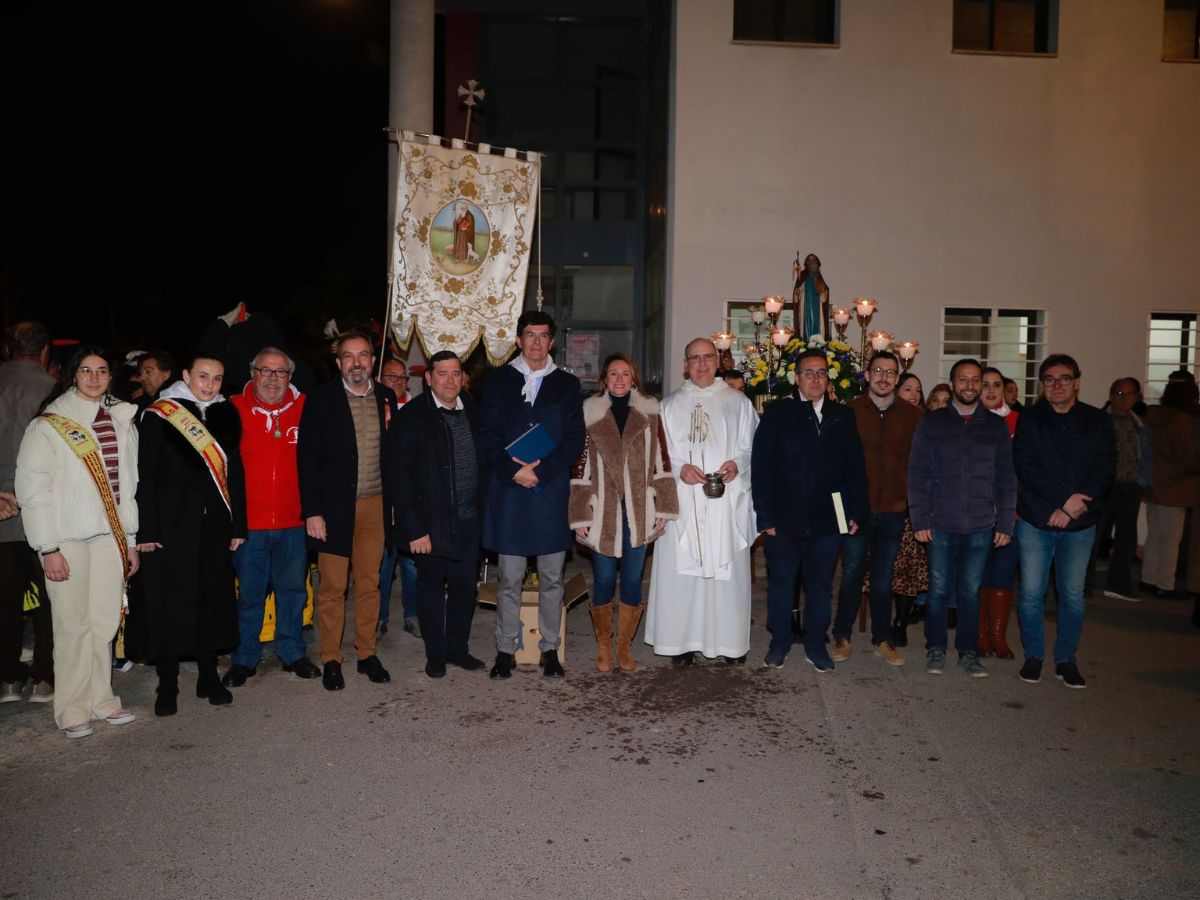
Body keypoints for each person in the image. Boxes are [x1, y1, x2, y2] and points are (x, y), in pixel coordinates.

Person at [15, 347, 140, 738]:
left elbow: (128, 487)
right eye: (85, 369)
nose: (94, 376)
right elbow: (34, 492)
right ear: (72, 374)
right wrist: (47, 548)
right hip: (67, 539)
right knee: (71, 625)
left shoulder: (121, 419)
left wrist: (130, 539)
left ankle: (103, 700)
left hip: (110, 538)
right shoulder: (49, 425)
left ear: (111, 375)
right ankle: (71, 708)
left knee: (104, 622)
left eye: (102, 370)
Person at [126, 355, 247, 716]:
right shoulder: (159, 414)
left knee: (211, 600)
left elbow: (235, 472)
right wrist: (146, 529)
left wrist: (238, 524)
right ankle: (168, 683)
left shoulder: (226, 413)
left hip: (214, 527)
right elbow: (144, 475)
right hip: (170, 526)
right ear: (185, 376)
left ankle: (208, 676)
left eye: (217, 378)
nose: (209, 384)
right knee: (170, 603)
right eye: (203, 376)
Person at [481, 310, 584, 679]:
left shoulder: (567, 384)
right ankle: (506, 649)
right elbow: (488, 434)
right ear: (518, 340)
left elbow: (574, 438)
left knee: (552, 577)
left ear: (552, 341)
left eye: (543, 336)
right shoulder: (498, 380)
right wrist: (513, 470)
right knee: (509, 578)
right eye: (530, 335)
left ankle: (550, 649)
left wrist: (540, 470)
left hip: (549, 491)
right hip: (510, 491)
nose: (536, 342)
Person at [753, 347, 867, 672]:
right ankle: (780, 642)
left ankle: (817, 644)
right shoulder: (777, 414)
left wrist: (854, 511)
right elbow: (762, 468)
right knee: (781, 584)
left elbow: (855, 468)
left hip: (828, 517)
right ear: (796, 378)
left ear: (828, 377)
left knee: (820, 586)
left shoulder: (842, 415)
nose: (815, 378)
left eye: (820, 372)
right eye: (808, 373)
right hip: (784, 518)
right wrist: (765, 516)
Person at [647, 338, 757, 665]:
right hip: (683, 502)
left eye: (708, 357)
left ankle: (729, 644)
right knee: (682, 576)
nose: (702, 363)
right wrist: (680, 470)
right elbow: (658, 456)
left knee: (727, 575)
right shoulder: (667, 406)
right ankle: (680, 643)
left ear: (718, 362)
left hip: (725, 502)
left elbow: (753, 448)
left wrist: (738, 463)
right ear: (685, 364)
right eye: (694, 358)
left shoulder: (738, 403)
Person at [298, 331, 397, 691]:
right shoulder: (322, 399)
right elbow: (307, 460)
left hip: (375, 504)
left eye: (364, 355)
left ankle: (367, 653)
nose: (357, 362)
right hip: (334, 507)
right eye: (349, 356)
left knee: (370, 584)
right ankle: (331, 658)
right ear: (338, 362)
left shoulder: (387, 398)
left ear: (373, 360)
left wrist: (395, 506)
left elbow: (394, 456)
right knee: (332, 588)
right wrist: (313, 511)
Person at [569, 353, 679, 673]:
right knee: (603, 578)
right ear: (605, 379)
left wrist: (665, 506)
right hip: (603, 511)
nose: (619, 379)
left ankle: (623, 647)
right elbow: (580, 466)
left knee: (632, 580)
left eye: (626, 374)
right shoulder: (591, 413)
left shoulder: (649, 412)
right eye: (614, 374)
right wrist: (580, 515)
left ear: (634, 379)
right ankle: (604, 644)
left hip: (639, 509)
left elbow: (663, 461)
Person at [908, 358, 1016, 679]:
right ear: (952, 384)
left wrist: (1006, 523)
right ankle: (936, 648)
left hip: (982, 525)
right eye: (963, 380)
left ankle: (968, 652)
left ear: (981, 385)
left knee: (970, 591)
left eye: (975, 380)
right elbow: (917, 474)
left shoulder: (995, 427)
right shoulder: (932, 423)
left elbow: (1007, 479)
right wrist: (920, 520)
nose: (969, 386)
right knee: (939, 590)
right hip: (939, 522)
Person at [1013, 354, 1115, 688]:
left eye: (1064, 378)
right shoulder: (1030, 419)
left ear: (1077, 382)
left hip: (1080, 523)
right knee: (1031, 593)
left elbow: (1103, 470)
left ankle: (1066, 659)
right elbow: (1026, 468)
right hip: (1036, 519)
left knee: (1071, 595)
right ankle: (1034, 656)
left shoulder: (1097, 420)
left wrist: (1072, 507)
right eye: (1050, 379)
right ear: (1042, 384)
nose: (1057, 385)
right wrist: (1060, 502)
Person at [222, 348, 320, 688]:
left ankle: (292, 652)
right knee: (249, 594)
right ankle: (245, 657)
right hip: (250, 524)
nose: (273, 378)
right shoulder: (231, 408)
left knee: (293, 591)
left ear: (290, 376)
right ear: (253, 372)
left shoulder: (307, 408)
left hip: (294, 522)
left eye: (280, 372)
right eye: (266, 371)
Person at [387, 351, 487, 678]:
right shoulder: (412, 417)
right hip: (430, 523)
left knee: (463, 588)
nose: (449, 380)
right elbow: (399, 479)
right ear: (428, 378)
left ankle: (458, 648)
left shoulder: (473, 409)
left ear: (463, 377)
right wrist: (415, 529)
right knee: (430, 587)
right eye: (442, 374)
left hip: (469, 519)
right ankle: (436, 654)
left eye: (455, 374)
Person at [831, 351, 921, 667]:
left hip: (894, 510)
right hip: (856, 512)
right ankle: (841, 636)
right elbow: (835, 469)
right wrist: (842, 516)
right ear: (867, 375)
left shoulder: (913, 416)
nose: (884, 377)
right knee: (852, 573)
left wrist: (911, 504)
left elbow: (919, 465)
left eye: (890, 372)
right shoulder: (848, 412)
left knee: (884, 578)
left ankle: (882, 639)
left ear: (897, 378)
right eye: (878, 371)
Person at [0, 323, 56, 704]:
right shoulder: (55, 389)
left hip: (2, 511)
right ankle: (45, 676)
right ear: (45, 351)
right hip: (45, 510)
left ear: (7, 349)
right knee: (51, 597)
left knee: (5, 598)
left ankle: (7, 679)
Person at [1138, 380, 1200, 599]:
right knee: (1171, 539)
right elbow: (1189, 458)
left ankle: (1149, 578)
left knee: (1155, 535)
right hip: (1175, 487)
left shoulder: (1153, 417)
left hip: (1153, 486)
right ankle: (1166, 584)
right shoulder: (1181, 423)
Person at [976, 366, 1020, 658]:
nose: (991, 391)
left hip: (1009, 513)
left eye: (997, 385)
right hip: (976, 514)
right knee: (977, 576)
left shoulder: (1019, 422)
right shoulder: (969, 421)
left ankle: (998, 636)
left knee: (1003, 574)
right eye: (985, 385)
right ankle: (979, 635)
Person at [1095, 378, 1151, 602]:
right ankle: (1082, 585)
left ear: (1137, 397)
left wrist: (1142, 482)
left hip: (1131, 486)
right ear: (1110, 395)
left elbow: (1146, 457)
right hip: (1104, 487)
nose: (1123, 398)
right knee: (1095, 536)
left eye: (1129, 394)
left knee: (1127, 539)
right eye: (1119, 393)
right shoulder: (1099, 421)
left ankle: (1119, 584)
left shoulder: (1139, 424)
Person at [377, 358, 418, 637]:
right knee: (381, 566)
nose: (398, 383)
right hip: (380, 499)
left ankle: (412, 615)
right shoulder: (372, 407)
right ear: (380, 379)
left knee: (413, 565)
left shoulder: (417, 410)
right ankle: (379, 618)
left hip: (411, 499)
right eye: (392, 377)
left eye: (403, 378)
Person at [889, 373, 930, 645]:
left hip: (916, 509)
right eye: (908, 388)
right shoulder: (888, 421)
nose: (914, 394)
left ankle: (901, 622)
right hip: (888, 505)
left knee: (910, 570)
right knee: (887, 567)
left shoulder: (928, 425)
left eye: (917, 389)